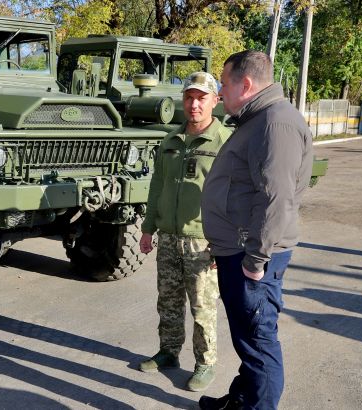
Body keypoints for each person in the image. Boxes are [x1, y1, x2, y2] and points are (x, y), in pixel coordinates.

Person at [199, 50, 313, 410]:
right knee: (249, 338)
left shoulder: (274, 122)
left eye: (223, 84)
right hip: (239, 248)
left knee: (259, 344)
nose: (220, 92)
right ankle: (243, 399)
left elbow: (276, 198)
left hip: (252, 256)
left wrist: (255, 258)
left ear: (245, 84)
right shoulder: (259, 119)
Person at [139, 71, 231, 392]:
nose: (194, 105)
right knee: (168, 300)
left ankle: (205, 363)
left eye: (201, 98)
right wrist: (149, 228)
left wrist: (227, 242)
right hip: (168, 238)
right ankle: (168, 352)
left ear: (215, 102)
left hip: (203, 242)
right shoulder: (170, 141)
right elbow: (157, 188)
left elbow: (236, 196)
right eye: (189, 98)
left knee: (202, 307)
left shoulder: (225, 143)